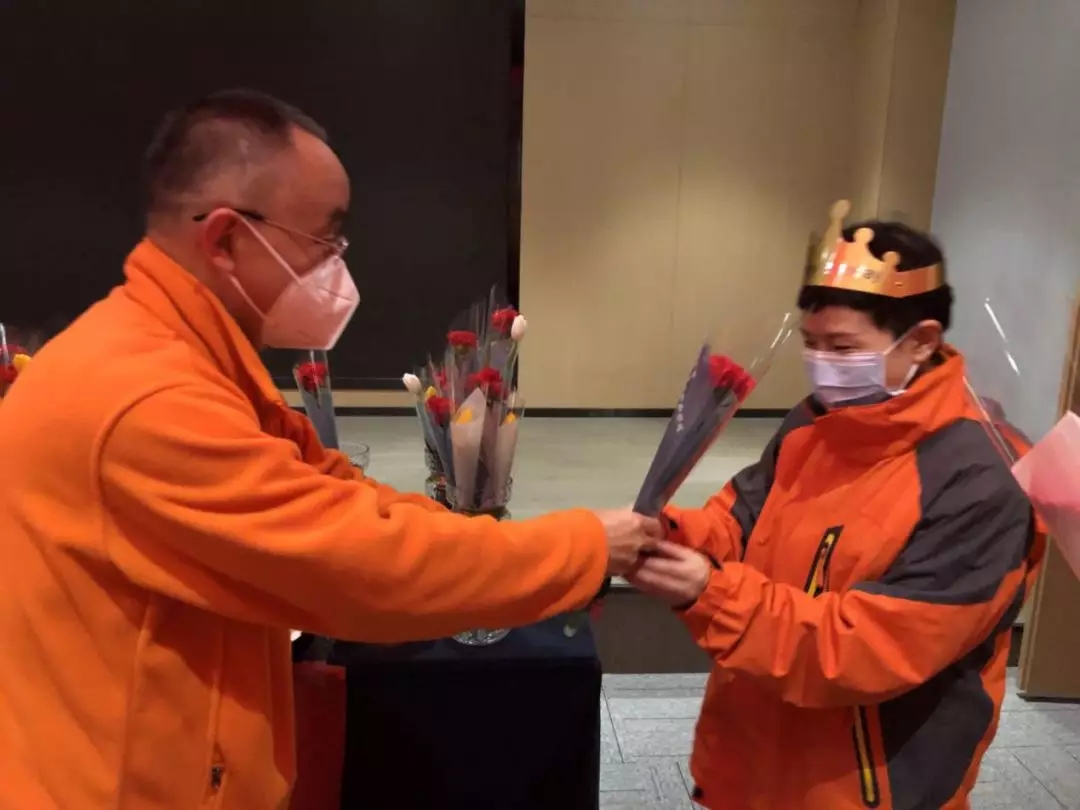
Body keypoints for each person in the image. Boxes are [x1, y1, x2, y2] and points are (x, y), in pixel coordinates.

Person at [0, 89, 662, 809]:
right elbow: (365, 565)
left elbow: (338, 492)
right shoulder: (146, 396)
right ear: (226, 241)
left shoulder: (183, 358)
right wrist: (583, 547)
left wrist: (514, 542)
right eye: (324, 241)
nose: (338, 266)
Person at [628, 201, 1046, 809]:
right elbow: (741, 516)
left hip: (867, 784)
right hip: (759, 748)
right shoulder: (819, 421)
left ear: (922, 341)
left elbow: (866, 650)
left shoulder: (980, 480)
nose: (823, 365)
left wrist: (710, 595)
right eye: (811, 343)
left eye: (844, 347)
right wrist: (668, 534)